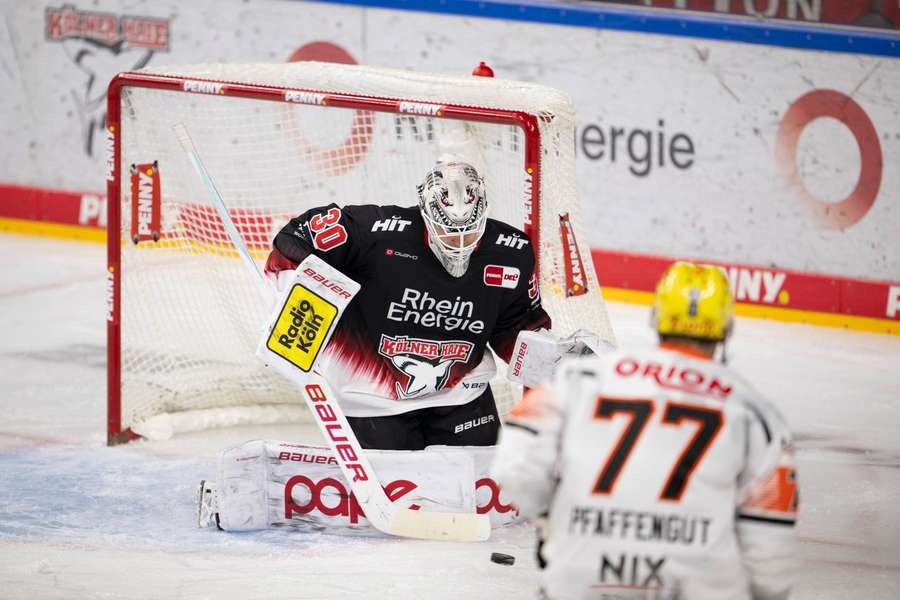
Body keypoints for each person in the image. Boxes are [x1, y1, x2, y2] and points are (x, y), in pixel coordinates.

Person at [491, 262, 798, 600]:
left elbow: (516, 463)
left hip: (583, 574)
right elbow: (769, 545)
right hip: (690, 581)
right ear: (726, 327)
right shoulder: (756, 413)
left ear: (656, 318)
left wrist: (551, 521)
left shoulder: (586, 376)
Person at [263, 154, 550, 450]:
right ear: (425, 213)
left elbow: (515, 326)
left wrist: (549, 358)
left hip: (462, 396)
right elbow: (294, 240)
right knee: (397, 495)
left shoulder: (511, 252)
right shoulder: (376, 232)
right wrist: (302, 304)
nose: (459, 242)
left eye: (470, 230)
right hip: (371, 400)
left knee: (478, 492)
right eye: (449, 232)